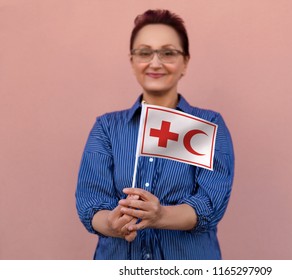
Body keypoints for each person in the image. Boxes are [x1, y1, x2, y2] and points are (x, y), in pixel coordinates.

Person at [75, 9, 234, 260]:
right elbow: (91, 201)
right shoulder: (107, 127)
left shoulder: (206, 125)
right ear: (132, 61)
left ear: (185, 62)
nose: (155, 62)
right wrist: (111, 223)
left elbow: (209, 205)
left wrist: (160, 216)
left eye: (168, 53)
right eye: (145, 52)